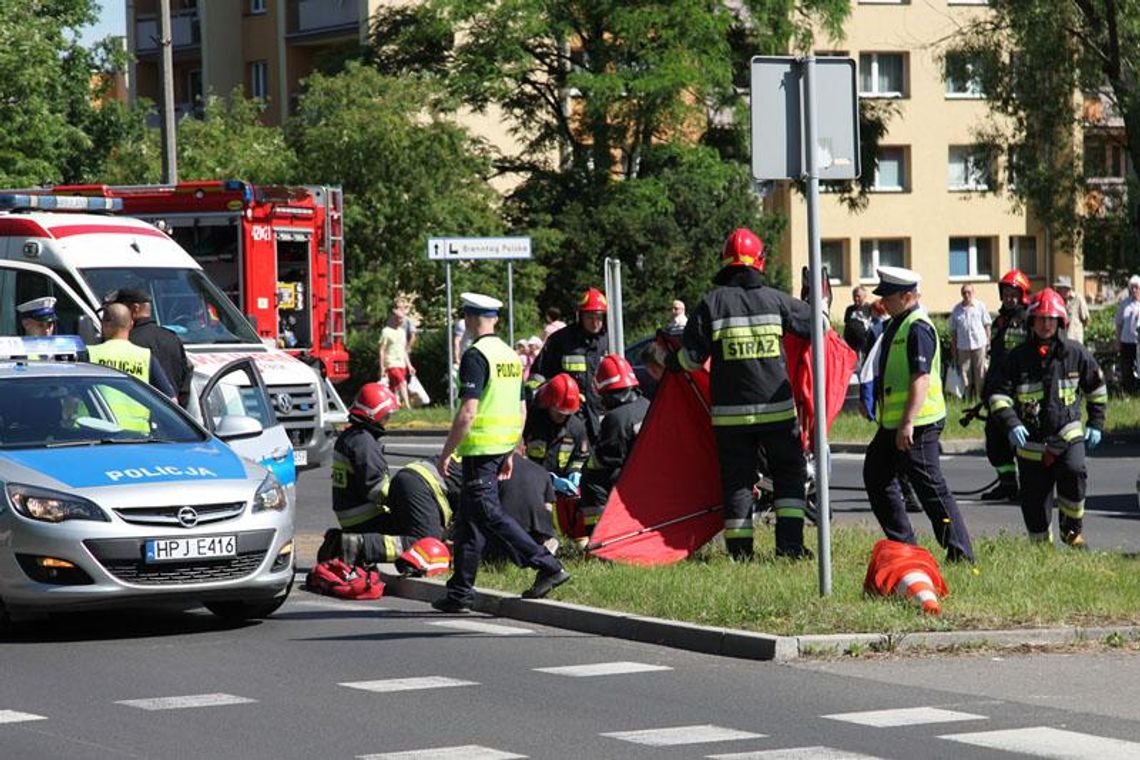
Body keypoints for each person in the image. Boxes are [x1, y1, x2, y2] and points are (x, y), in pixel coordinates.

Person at [674, 228, 813, 560]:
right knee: (789, 477)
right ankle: (790, 547)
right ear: (759, 262)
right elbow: (816, 328)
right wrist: (815, 301)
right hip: (778, 413)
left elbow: (690, 359)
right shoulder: (777, 300)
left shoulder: (711, 304)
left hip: (730, 417)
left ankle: (740, 554)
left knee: (737, 483)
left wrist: (670, 360)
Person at [433, 292, 569, 613]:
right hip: (500, 448)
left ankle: (547, 565)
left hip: (480, 450)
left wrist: (446, 452)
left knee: (488, 513)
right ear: (495, 319)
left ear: (468, 318)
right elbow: (521, 409)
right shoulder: (510, 356)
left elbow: (468, 411)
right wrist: (510, 450)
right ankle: (460, 593)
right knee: (468, 522)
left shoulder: (475, 355)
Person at [862, 266, 974, 563]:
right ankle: (905, 547)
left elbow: (920, 378)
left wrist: (908, 422)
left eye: (888, 295)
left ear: (907, 296)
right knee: (876, 475)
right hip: (894, 423)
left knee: (930, 487)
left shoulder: (918, 327)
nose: (882, 301)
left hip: (918, 424)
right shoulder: (897, 324)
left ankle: (960, 554)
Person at [987, 288, 1107, 546]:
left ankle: (1071, 531)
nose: (1045, 324)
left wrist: (1096, 424)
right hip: (1030, 442)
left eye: (1050, 319)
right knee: (1033, 503)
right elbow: (998, 395)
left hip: (1067, 434)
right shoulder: (1017, 358)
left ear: (1060, 321)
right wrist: (1011, 423)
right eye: (1040, 319)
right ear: (1031, 321)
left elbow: (1096, 389)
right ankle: (1041, 550)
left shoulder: (1075, 353)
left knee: (1075, 473)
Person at [577, 354, 651, 534]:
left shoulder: (615, 418)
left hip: (632, 481)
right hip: (652, 476)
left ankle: (598, 536)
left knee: (591, 479)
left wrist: (584, 466)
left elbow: (605, 461)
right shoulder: (647, 404)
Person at [979, 269, 1032, 501]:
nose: (1009, 298)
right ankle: (1008, 483)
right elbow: (996, 356)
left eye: (1014, 294)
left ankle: (1031, 485)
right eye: (1006, 294)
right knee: (995, 440)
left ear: (1022, 295)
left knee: (1020, 442)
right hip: (997, 389)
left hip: (1020, 390)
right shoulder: (999, 321)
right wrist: (986, 389)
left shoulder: (1029, 320)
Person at [532, 287, 609, 444]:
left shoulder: (610, 341)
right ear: (580, 316)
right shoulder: (560, 341)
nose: (595, 322)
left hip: (600, 418)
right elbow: (538, 377)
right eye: (590, 317)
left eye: (599, 317)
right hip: (567, 417)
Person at [329, 382, 398, 532]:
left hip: (351, 517)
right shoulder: (363, 442)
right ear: (373, 415)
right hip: (367, 518)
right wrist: (407, 501)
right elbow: (377, 488)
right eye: (385, 416)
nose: (387, 421)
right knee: (415, 533)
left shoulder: (349, 437)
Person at [105, 288, 192, 406]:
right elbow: (186, 379)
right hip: (171, 416)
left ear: (135, 308)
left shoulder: (129, 340)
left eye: (121, 307)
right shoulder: (172, 338)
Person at [89, 303, 176, 399]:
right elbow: (171, 399)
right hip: (138, 414)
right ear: (131, 324)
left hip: (96, 414)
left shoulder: (90, 353)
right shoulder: (145, 357)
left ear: (104, 324)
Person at [492, 451, 560, 557]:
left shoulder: (496, 470)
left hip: (505, 529)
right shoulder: (541, 470)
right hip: (536, 530)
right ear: (523, 449)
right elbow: (548, 508)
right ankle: (543, 549)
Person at [948, 284, 991, 400]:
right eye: (964, 293)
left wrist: (988, 343)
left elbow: (987, 325)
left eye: (969, 292)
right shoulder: (956, 310)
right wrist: (954, 351)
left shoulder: (980, 306)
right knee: (965, 374)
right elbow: (953, 332)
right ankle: (967, 398)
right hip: (963, 347)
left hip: (979, 345)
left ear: (973, 293)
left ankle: (979, 398)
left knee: (980, 373)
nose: (966, 295)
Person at [379, 305, 413, 409]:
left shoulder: (402, 332)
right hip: (391, 363)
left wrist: (410, 365)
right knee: (403, 382)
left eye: (403, 318)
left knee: (394, 387)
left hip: (401, 363)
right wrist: (382, 367)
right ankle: (407, 406)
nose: (401, 320)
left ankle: (394, 405)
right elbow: (382, 350)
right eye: (399, 318)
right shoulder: (386, 331)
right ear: (394, 318)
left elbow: (404, 351)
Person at [1115, 275, 1140, 394]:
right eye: (1132, 287)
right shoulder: (1124, 304)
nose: (1134, 290)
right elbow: (1118, 324)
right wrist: (1118, 341)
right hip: (1126, 342)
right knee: (1127, 368)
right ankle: (1129, 391)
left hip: (1138, 342)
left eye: (1136, 287)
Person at [1054, 276, 1090, 345]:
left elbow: (1086, 319)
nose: (1058, 290)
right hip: (1060, 339)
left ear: (1069, 289)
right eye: (1058, 288)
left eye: (1062, 288)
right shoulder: (1056, 300)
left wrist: (1078, 330)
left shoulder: (1078, 298)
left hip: (1075, 338)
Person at [842, 286, 873, 361]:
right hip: (850, 345)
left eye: (858, 296)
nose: (856, 298)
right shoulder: (849, 309)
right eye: (854, 296)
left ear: (865, 296)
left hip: (862, 346)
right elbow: (846, 323)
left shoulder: (869, 308)